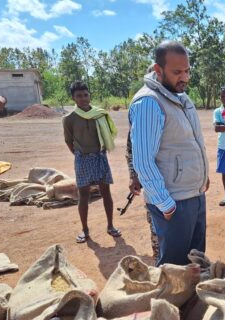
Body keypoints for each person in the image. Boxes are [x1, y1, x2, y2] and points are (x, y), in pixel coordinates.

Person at [129, 41, 209, 265]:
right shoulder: (149, 103)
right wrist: (165, 204)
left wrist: (202, 177)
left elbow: (191, 142)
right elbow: (143, 161)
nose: (184, 77)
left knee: (196, 264)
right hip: (174, 203)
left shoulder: (181, 97)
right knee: (174, 272)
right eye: (177, 72)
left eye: (187, 71)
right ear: (158, 70)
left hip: (195, 195)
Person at [63, 81, 121, 243]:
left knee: (106, 193)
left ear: (90, 95)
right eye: (79, 96)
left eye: (86, 95)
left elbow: (108, 133)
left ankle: (110, 226)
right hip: (82, 159)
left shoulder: (99, 114)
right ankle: (85, 229)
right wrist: (80, 156)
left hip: (100, 157)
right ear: (73, 98)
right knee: (84, 195)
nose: (83, 99)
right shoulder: (69, 119)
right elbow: (69, 141)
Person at [125, 63, 159, 259]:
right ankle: (159, 264)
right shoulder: (144, 103)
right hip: (152, 181)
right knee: (156, 227)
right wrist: (133, 175)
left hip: (174, 179)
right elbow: (131, 147)